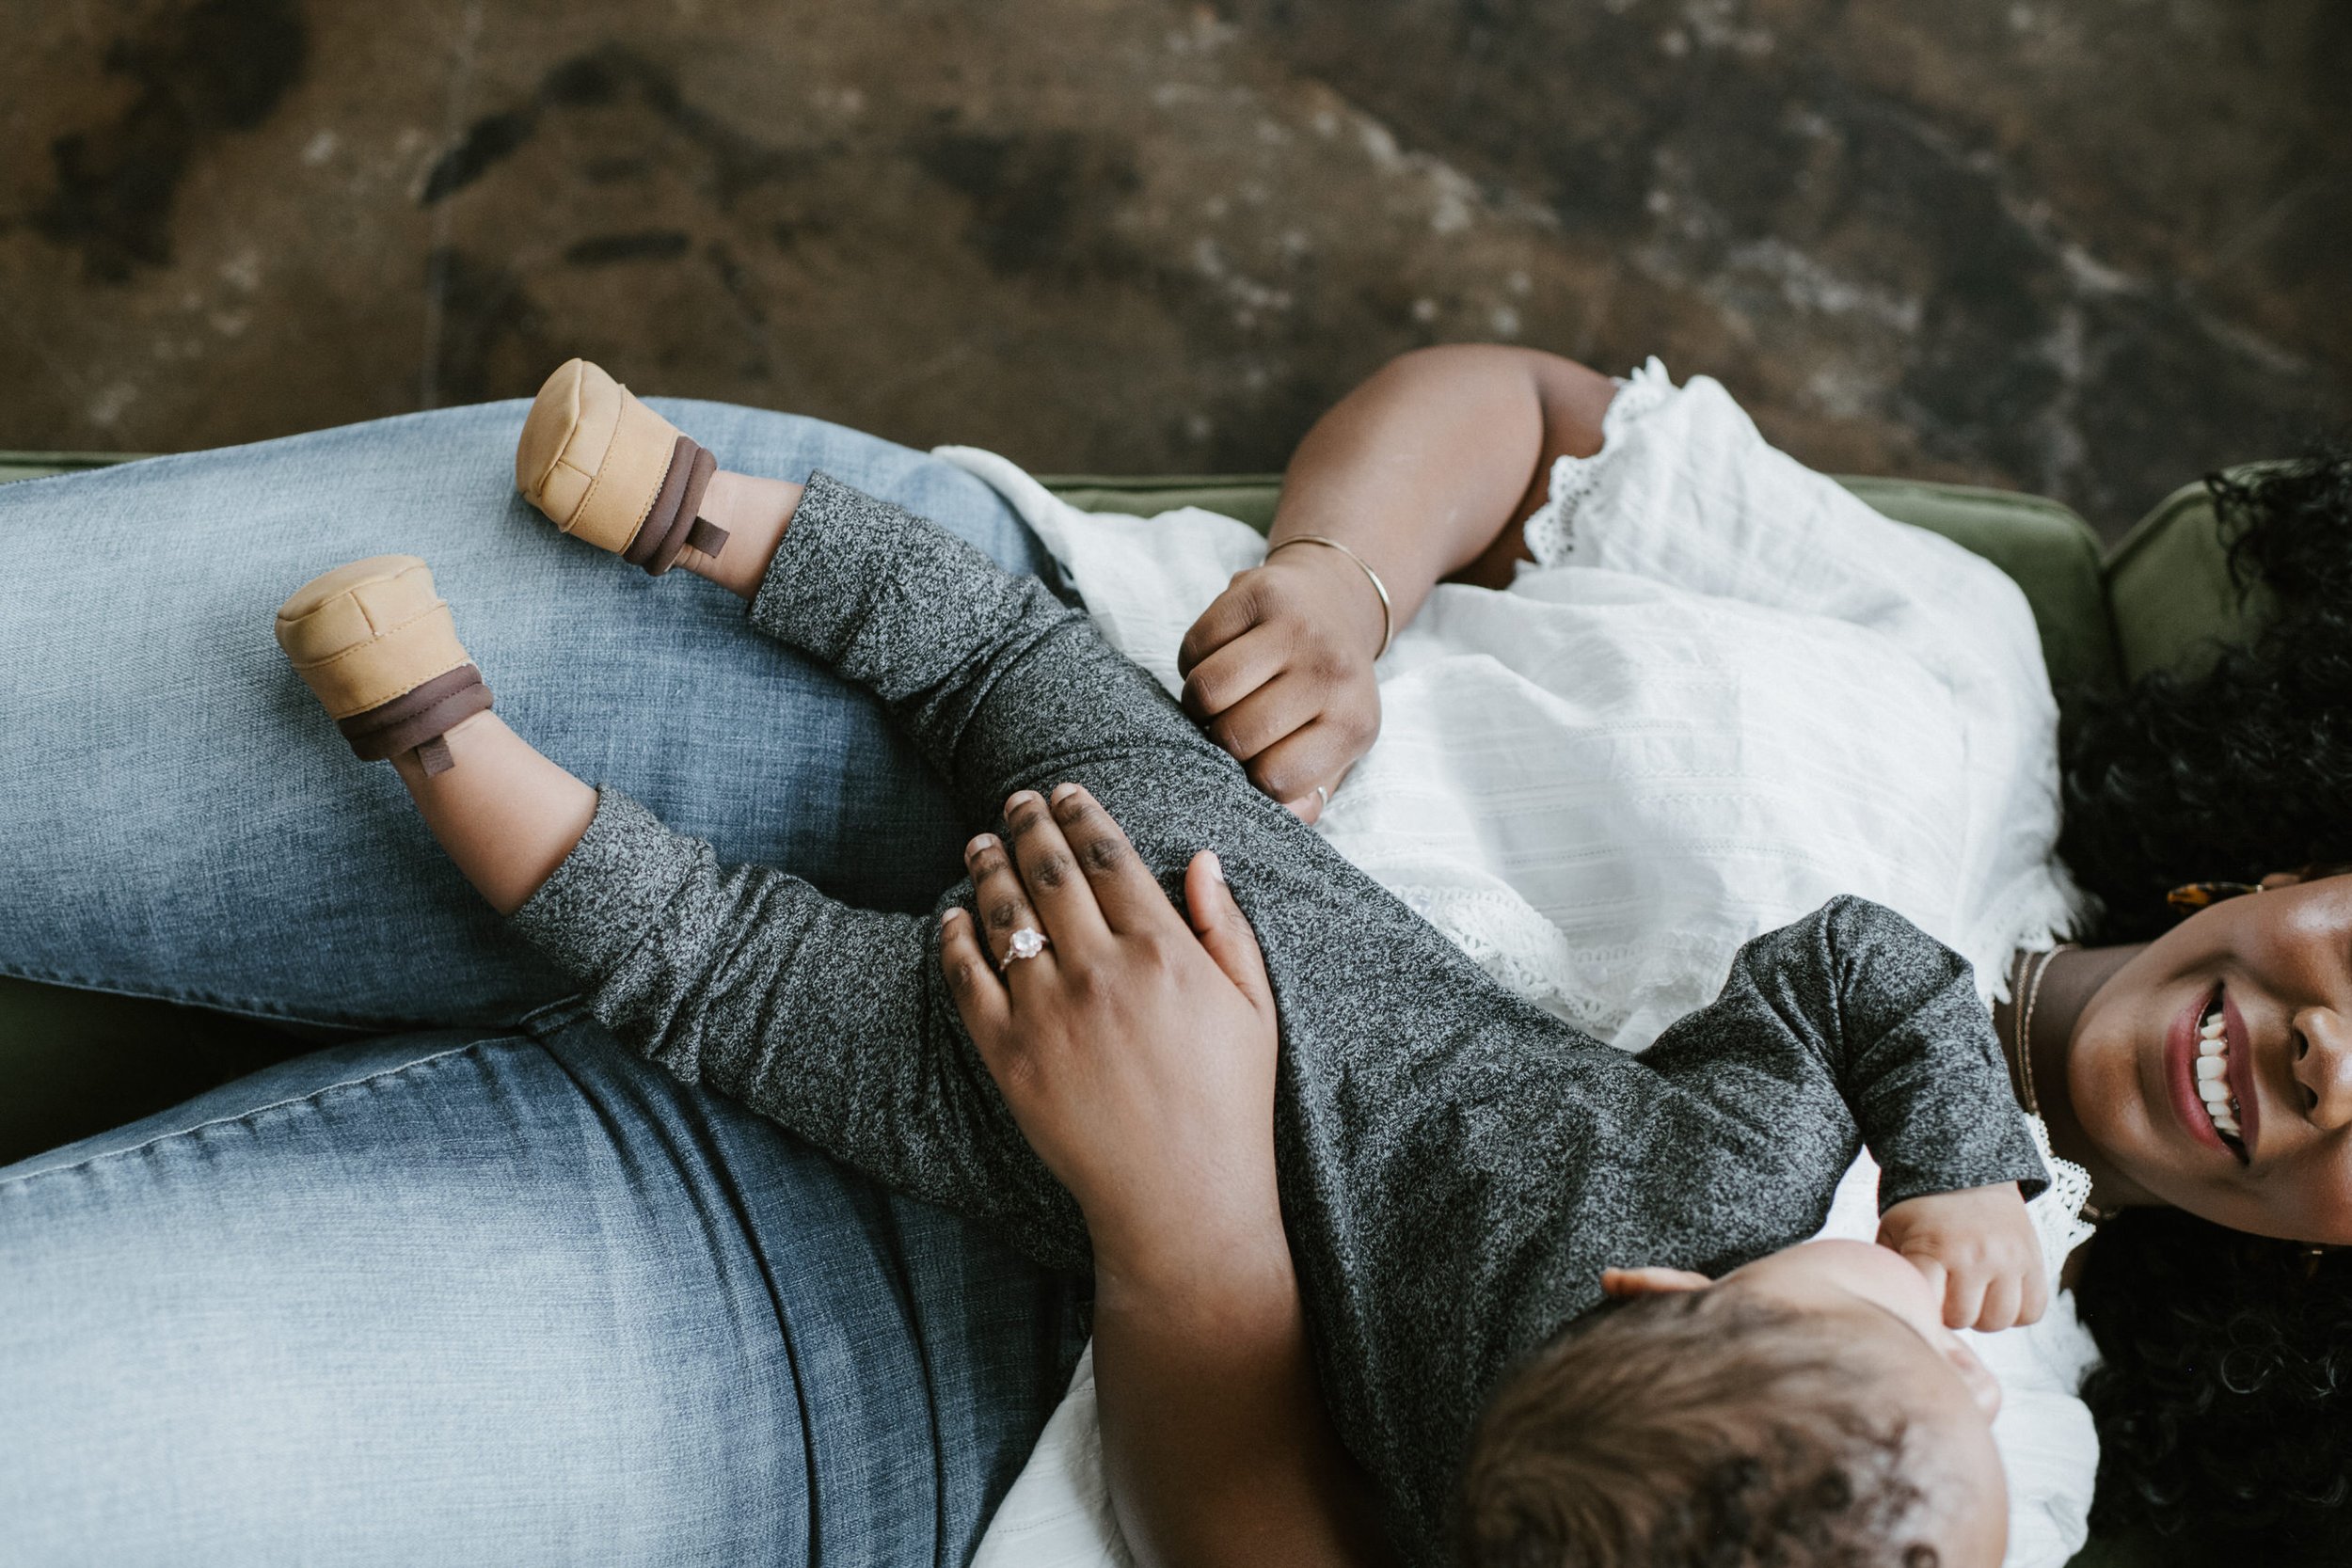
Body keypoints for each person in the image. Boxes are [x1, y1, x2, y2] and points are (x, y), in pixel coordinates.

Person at [0, 343, 2344, 1562]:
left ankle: (449, 751)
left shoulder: (1989, 1479)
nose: (2340, 1060)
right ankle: (670, 550)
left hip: (904, 1371)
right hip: (933, 698)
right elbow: (1524, 418)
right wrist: (1344, 576)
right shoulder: (1948, 657)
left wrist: (1192, 1220)